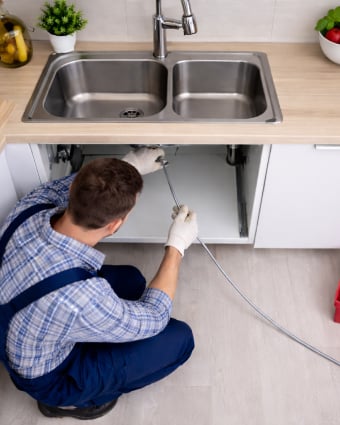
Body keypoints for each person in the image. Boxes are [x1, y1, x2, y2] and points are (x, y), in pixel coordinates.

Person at [0, 147, 198, 420]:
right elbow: (154, 318)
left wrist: (130, 166)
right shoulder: (82, 298)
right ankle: (72, 402)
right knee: (179, 339)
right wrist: (176, 246)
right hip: (49, 377)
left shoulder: (31, 208)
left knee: (132, 279)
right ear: (116, 225)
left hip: (17, 329)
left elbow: (70, 185)